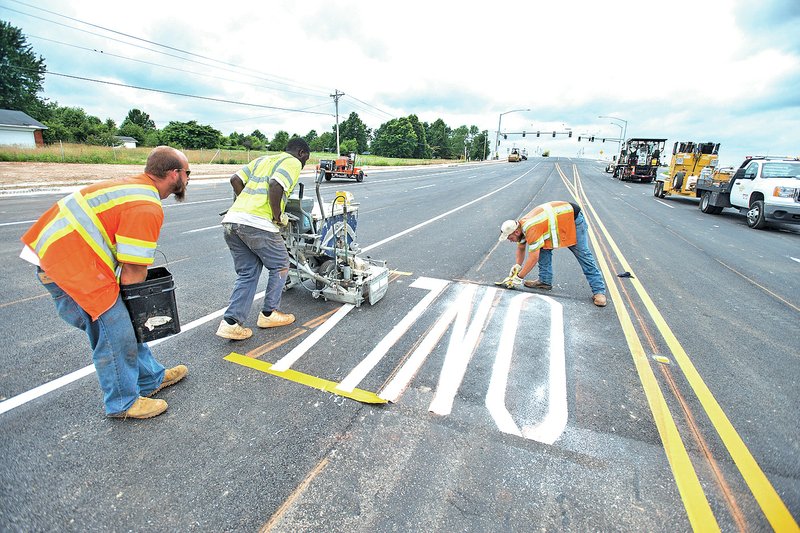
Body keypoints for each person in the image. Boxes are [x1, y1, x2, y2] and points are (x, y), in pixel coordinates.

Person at [20, 146, 191, 419]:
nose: (188, 178)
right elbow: (134, 270)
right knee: (115, 331)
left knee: (123, 325)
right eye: (188, 172)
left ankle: (151, 378)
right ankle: (122, 402)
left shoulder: (134, 188)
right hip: (67, 266)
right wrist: (139, 310)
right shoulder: (145, 205)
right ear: (175, 174)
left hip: (65, 257)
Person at [216, 138, 311, 340]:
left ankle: (231, 323)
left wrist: (248, 202)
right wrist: (277, 216)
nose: (303, 165)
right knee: (281, 264)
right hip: (258, 224)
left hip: (232, 221)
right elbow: (276, 184)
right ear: (301, 153)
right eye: (306, 160)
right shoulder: (292, 162)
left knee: (248, 273)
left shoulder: (263, 160)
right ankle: (269, 313)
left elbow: (235, 179)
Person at [498, 201, 607, 307]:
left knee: (584, 255)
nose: (509, 240)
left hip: (572, 219)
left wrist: (518, 277)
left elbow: (533, 257)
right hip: (556, 221)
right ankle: (544, 281)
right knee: (543, 248)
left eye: (509, 237)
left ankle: (599, 292)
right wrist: (517, 266)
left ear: (516, 232)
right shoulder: (520, 228)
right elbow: (521, 247)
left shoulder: (531, 228)